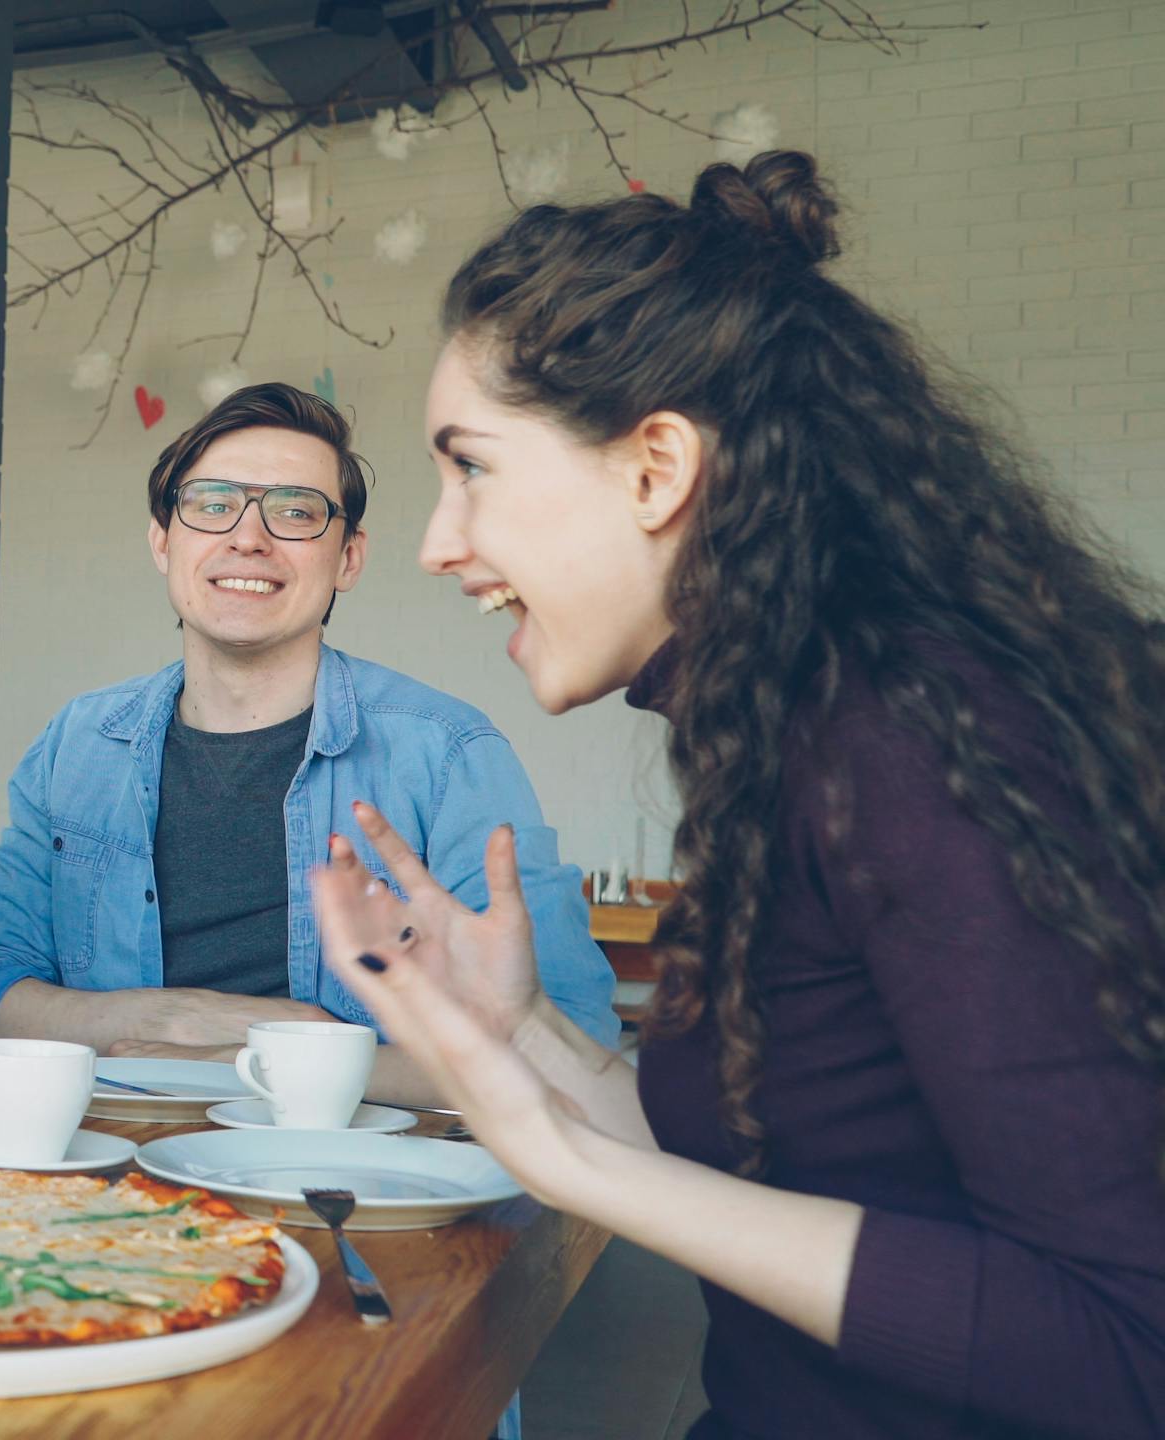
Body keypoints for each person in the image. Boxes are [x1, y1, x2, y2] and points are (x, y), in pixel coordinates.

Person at [312, 151, 1165, 1439]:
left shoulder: (919, 741)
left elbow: (1123, 1346)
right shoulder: (791, 724)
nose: (438, 542)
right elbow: (766, 1182)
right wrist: (520, 1027)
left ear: (656, 468)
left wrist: (564, 1162)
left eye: (471, 467)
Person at [0, 382, 620, 1106]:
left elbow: (569, 1040)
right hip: (101, 1164)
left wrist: (276, 1053)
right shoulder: (78, 746)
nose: (247, 538)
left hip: (357, 1185)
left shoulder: (446, 754)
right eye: (213, 505)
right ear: (164, 542)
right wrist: (164, 1017)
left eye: (294, 512)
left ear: (348, 558)